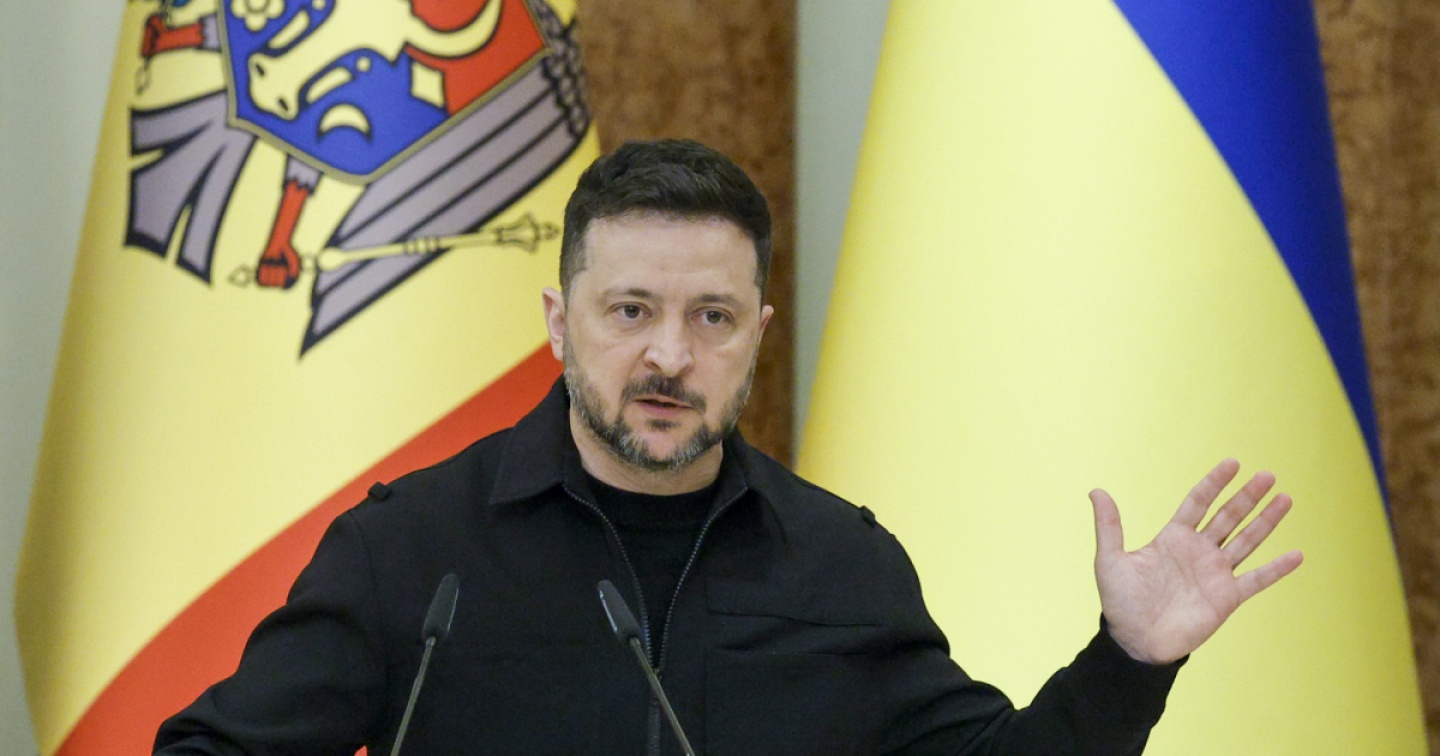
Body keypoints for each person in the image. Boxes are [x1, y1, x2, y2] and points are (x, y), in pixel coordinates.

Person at [154, 139, 1302, 755]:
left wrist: (1129, 661)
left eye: (711, 317)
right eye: (630, 311)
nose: (669, 355)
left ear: (757, 332)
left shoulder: (841, 565)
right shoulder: (412, 550)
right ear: (559, 323)